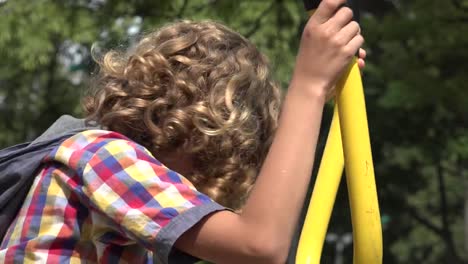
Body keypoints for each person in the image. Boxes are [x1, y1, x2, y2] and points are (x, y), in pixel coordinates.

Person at [0, 0, 366, 263]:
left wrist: (317, 100)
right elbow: (259, 245)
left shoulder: (135, 221)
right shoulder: (101, 156)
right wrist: (309, 87)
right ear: (212, 136)